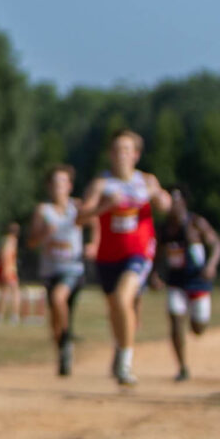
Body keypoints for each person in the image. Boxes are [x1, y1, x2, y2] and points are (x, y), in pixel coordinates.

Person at [77, 128, 173, 387]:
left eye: (127, 149)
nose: (121, 154)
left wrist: (157, 195)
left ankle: (125, 363)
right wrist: (103, 207)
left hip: (139, 251)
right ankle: (121, 348)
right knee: (115, 309)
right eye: (117, 149)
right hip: (108, 255)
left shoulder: (146, 181)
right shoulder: (101, 184)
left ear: (136, 155)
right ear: (110, 154)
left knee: (122, 298)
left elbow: (167, 207)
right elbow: (81, 217)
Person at [153, 185, 220, 382]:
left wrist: (211, 265)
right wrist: (156, 274)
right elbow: (158, 254)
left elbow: (216, 244)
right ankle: (182, 366)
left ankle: (197, 323)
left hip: (197, 281)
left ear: (183, 202)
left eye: (175, 200)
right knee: (175, 321)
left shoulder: (196, 223)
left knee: (198, 327)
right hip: (176, 281)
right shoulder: (165, 228)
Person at [28, 165, 89, 376]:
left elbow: (95, 220)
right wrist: (44, 233)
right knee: (56, 316)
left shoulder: (78, 207)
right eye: (54, 183)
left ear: (70, 186)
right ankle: (63, 349)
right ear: (48, 187)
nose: (58, 187)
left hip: (72, 268)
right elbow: (32, 242)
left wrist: (96, 244)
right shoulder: (42, 211)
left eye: (63, 182)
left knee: (57, 299)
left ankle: (65, 340)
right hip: (50, 270)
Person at [0, 222, 24, 324]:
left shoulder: (4, 239)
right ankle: (13, 315)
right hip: (9, 270)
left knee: (4, 292)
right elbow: (6, 254)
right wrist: (7, 269)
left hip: (4, 268)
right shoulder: (11, 240)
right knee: (14, 293)